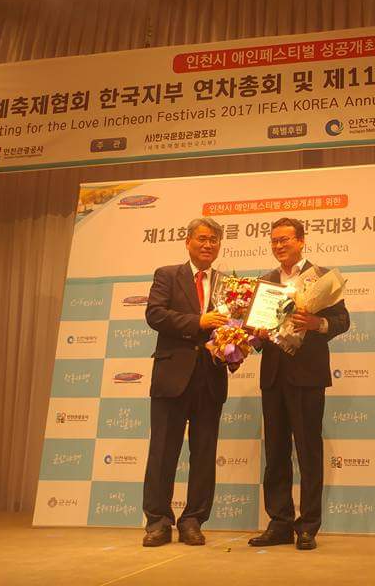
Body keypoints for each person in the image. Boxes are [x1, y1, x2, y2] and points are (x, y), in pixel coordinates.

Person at [248, 217, 350, 551]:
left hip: (307, 376)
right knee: (276, 453)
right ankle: (279, 523)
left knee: (308, 453)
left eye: (285, 239)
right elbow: (255, 335)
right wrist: (256, 334)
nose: (279, 246)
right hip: (273, 377)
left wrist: (316, 323)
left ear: (301, 240)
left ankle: (307, 526)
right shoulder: (265, 282)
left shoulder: (321, 278)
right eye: (274, 241)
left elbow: (342, 321)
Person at [140, 217, 232, 547]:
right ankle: (158, 521)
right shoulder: (167, 275)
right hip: (172, 377)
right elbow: (155, 315)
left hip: (210, 377)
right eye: (202, 239)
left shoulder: (228, 283)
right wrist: (198, 322)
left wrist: (235, 342)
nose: (208, 245)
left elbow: (235, 324)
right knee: (162, 452)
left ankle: (193, 520)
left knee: (204, 455)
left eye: (214, 240)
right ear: (188, 241)